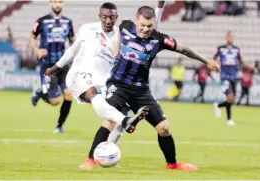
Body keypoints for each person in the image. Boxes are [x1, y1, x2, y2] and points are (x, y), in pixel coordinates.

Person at [80, 6, 220, 170]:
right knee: (110, 120)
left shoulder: (159, 39)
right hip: (118, 85)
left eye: (149, 26)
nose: (146, 29)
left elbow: (184, 49)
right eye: (142, 25)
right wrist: (115, 53)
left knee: (164, 128)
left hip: (141, 90)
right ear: (136, 20)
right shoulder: (125, 26)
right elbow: (118, 39)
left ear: (154, 24)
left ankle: (173, 165)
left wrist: (206, 61)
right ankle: (89, 161)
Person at [45, 2, 166, 139]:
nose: (108, 21)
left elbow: (150, 32)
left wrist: (159, 8)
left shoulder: (121, 34)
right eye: (105, 17)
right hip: (79, 75)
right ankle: (125, 121)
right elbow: (72, 50)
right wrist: (55, 67)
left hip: (105, 81)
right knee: (92, 91)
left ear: (116, 17)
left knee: (122, 110)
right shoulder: (87, 29)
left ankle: (108, 148)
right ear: (100, 16)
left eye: (112, 17)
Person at [29, 0, 75, 133]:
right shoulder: (41, 21)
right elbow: (32, 38)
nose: (57, 4)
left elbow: (73, 40)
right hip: (47, 65)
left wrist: (76, 53)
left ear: (63, 3)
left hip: (62, 64)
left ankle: (59, 126)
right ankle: (39, 92)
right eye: (55, 1)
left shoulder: (68, 22)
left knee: (69, 94)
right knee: (55, 101)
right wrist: (37, 50)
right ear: (50, 3)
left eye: (60, 1)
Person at [213, 31, 253, 126]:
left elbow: (241, 62)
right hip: (224, 76)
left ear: (234, 38)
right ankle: (229, 119)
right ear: (226, 37)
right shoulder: (221, 48)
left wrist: (249, 66)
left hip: (233, 76)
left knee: (232, 99)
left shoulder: (237, 49)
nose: (231, 38)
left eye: (232, 37)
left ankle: (218, 106)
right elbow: (214, 59)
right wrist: (215, 66)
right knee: (230, 97)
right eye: (229, 36)